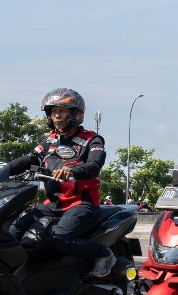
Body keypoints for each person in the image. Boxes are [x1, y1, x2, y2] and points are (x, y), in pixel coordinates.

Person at [7, 89, 115, 278]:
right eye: (53, 111)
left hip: (81, 203)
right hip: (53, 203)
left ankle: (103, 254)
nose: (56, 115)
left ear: (75, 114)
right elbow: (30, 159)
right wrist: (1, 169)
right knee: (14, 229)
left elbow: (94, 165)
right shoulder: (50, 140)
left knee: (58, 238)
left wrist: (72, 171)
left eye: (62, 110)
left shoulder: (91, 140)